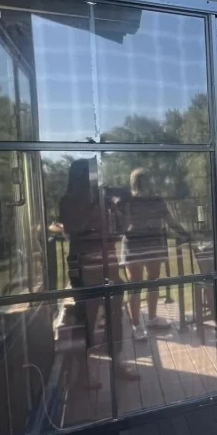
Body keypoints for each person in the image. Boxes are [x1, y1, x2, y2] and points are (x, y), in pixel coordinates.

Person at [59, 159, 138, 378]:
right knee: (88, 315)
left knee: (115, 314)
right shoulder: (67, 202)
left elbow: (119, 229)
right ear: (81, 176)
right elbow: (75, 229)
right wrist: (97, 205)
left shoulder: (103, 199)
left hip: (108, 263)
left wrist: (123, 209)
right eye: (92, 174)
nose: (97, 178)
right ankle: (84, 369)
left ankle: (117, 362)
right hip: (84, 264)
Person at [122, 167, 190, 339]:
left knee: (142, 284)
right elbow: (171, 222)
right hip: (143, 245)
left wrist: (184, 233)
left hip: (143, 245)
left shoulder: (139, 201)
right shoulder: (136, 201)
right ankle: (141, 323)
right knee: (143, 284)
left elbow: (170, 221)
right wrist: (184, 233)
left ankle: (145, 322)